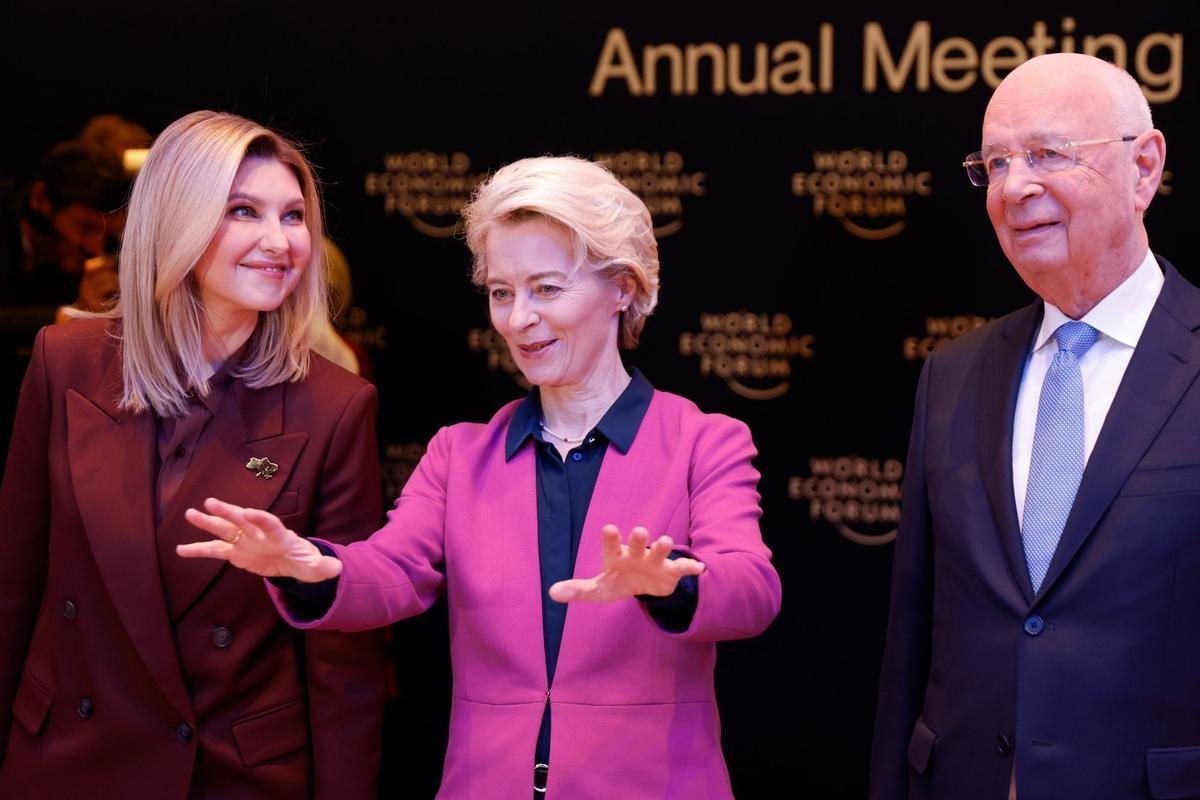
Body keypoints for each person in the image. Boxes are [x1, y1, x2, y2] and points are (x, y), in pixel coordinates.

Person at [180, 155, 783, 798]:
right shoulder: (459, 455)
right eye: (502, 292)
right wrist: (312, 565)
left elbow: (752, 590)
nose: (517, 318)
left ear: (624, 288)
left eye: (547, 288)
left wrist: (674, 584)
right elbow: (391, 572)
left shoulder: (703, 442)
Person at [0, 111, 386, 799]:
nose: (279, 242)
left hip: (225, 777)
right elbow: (13, 588)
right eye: (244, 211)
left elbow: (342, 661)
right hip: (66, 760)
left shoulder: (336, 406)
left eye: (293, 216)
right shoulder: (65, 363)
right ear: (175, 219)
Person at [869, 53, 1194, 800]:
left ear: (1143, 168)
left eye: (1047, 154)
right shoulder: (951, 375)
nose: (1015, 189)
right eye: (994, 165)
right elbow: (911, 649)